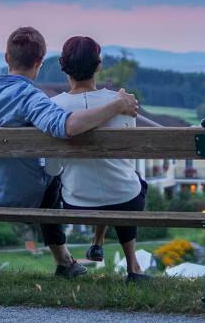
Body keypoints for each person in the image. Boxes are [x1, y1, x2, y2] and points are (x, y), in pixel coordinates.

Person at [0, 27, 138, 278]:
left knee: (52, 168)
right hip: (23, 195)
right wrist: (117, 104)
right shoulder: (32, 98)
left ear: (6, 57)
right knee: (53, 174)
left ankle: (68, 261)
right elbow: (68, 127)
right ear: (39, 62)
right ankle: (64, 263)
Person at [46, 36, 152, 283]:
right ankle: (133, 267)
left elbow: (52, 170)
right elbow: (127, 160)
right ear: (98, 66)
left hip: (78, 202)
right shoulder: (123, 103)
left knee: (101, 180)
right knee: (130, 183)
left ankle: (97, 242)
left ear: (63, 66)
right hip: (125, 198)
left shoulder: (52, 108)